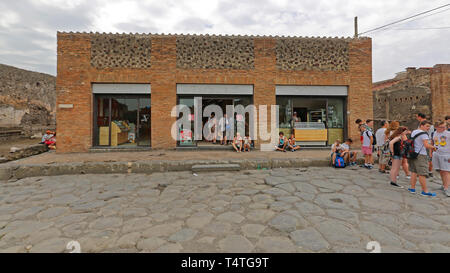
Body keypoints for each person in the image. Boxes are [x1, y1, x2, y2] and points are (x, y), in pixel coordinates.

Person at [408, 120, 437, 197]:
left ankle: (412, 188)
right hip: (421, 155)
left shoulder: (414, 131)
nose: (428, 128)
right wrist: (434, 147)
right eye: (427, 126)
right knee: (422, 173)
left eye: (429, 127)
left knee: (414, 171)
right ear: (422, 125)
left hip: (413, 153)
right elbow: (426, 145)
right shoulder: (424, 134)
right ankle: (425, 191)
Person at [431, 121, 450, 197]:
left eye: (445, 126)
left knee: (446, 171)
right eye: (441, 127)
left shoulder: (448, 134)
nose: (444, 128)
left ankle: (447, 188)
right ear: (436, 127)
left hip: (446, 155)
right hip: (436, 154)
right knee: (441, 171)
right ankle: (444, 185)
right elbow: (433, 143)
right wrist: (431, 153)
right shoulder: (435, 133)